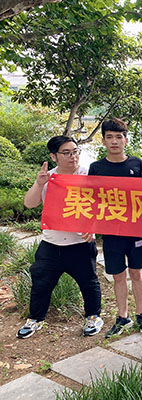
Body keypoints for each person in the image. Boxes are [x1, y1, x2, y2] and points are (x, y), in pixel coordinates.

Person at [18, 136, 103, 338]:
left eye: (75, 151)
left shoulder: (89, 175)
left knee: (89, 282)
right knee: (41, 283)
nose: (73, 156)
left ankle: (93, 317)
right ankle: (35, 319)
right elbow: (29, 203)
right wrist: (39, 184)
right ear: (53, 156)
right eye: (66, 153)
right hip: (51, 243)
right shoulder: (49, 178)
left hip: (80, 243)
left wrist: (93, 227)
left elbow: (102, 205)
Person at [88, 118, 142, 338]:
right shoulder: (96, 168)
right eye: (109, 137)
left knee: (137, 273)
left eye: (119, 137)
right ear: (103, 140)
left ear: (126, 139)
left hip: (136, 231)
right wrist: (90, 227)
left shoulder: (137, 164)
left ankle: (141, 314)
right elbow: (91, 199)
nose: (114, 141)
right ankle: (122, 316)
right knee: (118, 276)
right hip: (111, 232)